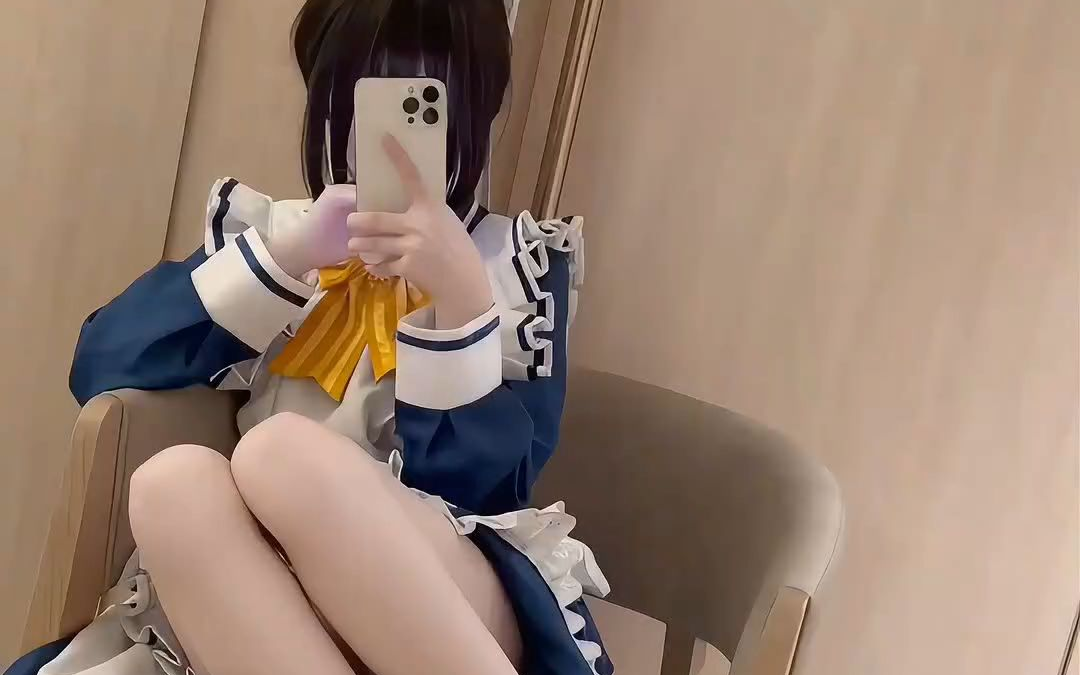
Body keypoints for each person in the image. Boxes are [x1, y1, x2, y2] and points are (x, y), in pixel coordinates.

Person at [7, 1, 612, 674]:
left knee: (281, 454)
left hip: (442, 610)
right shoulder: (281, 236)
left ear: (474, 109)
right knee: (169, 484)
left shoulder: (513, 266)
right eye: (363, 97)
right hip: (274, 607)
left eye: (424, 101)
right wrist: (286, 257)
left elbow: (485, 493)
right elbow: (102, 365)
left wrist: (462, 301)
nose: (386, 135)